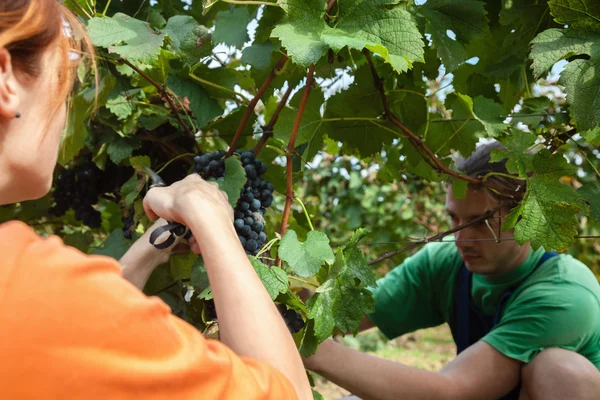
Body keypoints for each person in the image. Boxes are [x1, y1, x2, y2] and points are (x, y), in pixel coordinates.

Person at [0, 1, 312, 399]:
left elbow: (90, 323)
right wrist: (213, 223)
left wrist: (150, 248)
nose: (65, 111)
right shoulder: (35, 290)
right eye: (66, 77)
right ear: (5, 78)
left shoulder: (31, 297)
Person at [303, 142, 600, 400]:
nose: (461, 239)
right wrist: (294, 306)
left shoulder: (565, 295)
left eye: (479, 222)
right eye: (455, 219)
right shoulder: (444, 262)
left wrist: (314, 351)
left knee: (558, 369)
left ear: (526, 217)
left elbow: (453, 391)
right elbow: (341, 316)